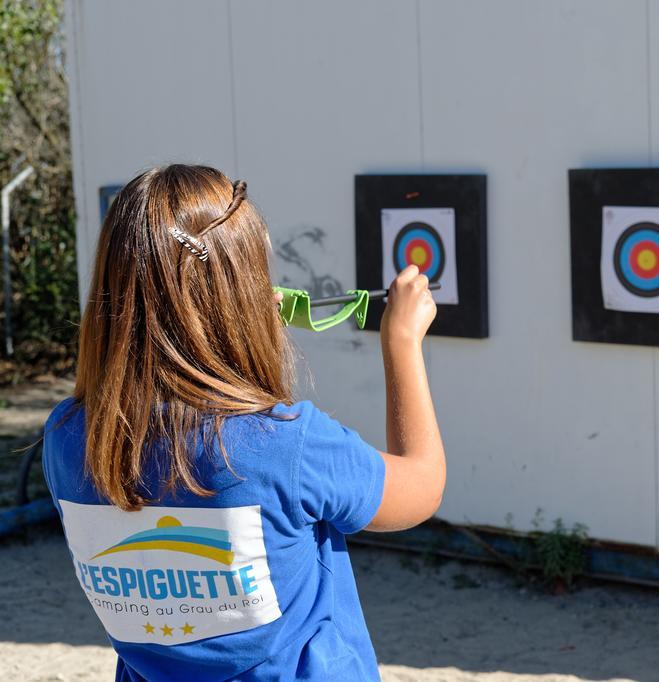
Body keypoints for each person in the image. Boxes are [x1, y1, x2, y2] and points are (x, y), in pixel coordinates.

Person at [42, 164, 445, 681]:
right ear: (238, 298)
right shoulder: (283, 443)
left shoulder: (68, 436)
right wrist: (403, 342)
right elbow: (422, 484)